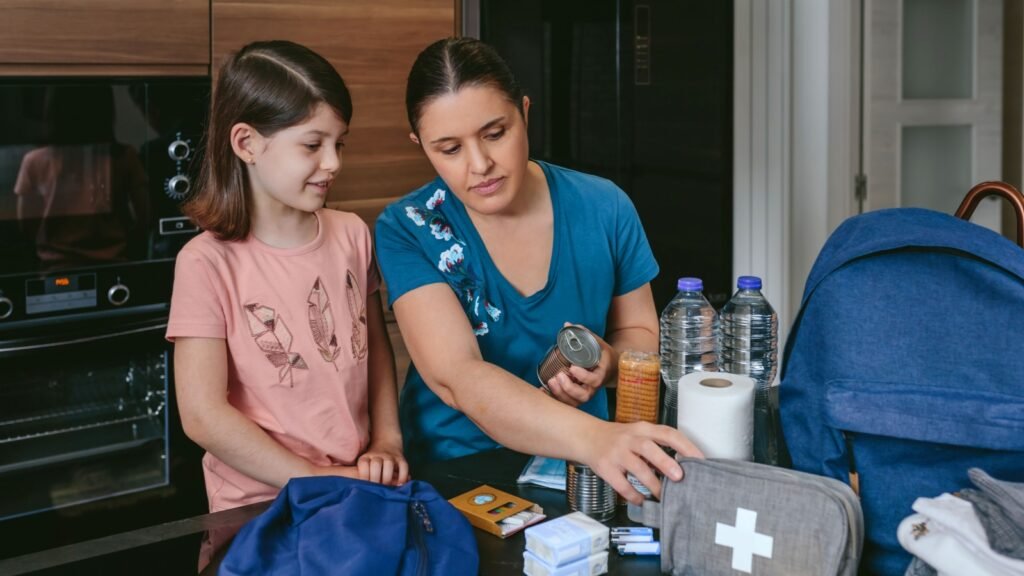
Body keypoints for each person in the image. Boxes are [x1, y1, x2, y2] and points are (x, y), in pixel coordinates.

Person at [375, 37, 701, 504]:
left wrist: (610, 363)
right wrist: (594, 439)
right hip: (458, 468)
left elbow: (639, 331)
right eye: (449, 149)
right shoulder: (409, 227)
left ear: (524, 113)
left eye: (494, 133)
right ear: (421, 146)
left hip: (581, 467)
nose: (480, 164)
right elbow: (458, 376)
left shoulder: (604, 206)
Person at [166, 40, 407, 570]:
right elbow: (203, 416)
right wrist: (315, 477)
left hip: (353, 490)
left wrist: (387, 440)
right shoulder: (206, 262)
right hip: (256, 510)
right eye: (312, 145)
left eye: (340, 143)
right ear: (248, 143)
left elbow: (377, 353)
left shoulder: (351, 234)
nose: (333, 162)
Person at [14, 85, 149, 270]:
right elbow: (145, 216)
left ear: (53, 110)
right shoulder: (124, 156)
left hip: (56, 267)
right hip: (114, 265)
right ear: (105, 109)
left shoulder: (35, 161)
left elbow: (25, 225)